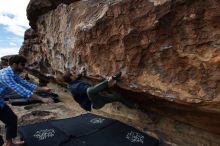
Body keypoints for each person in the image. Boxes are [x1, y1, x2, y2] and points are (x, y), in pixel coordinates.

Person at [0, 55, 53, 146]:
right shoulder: (6, 75)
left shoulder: (13, 73)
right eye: (22, 64)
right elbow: (21, 90)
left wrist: (43, 89)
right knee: (10, 120)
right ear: (14, 64)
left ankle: (10, 143)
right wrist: (41, 99)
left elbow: (25, 83)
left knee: (11, 119)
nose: (24, 66)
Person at [62, 67, 132, 111]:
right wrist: (107, 85)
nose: (74, 74)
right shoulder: (75, 87)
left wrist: (80, 73)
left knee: (118, 97)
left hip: (98, 98)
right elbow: (92, 90)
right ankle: (111, 79)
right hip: (95, 104)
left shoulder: (71, 83)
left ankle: (133, 106)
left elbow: (76, 78)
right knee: (90, 91)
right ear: (71, 77)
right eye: (72, 74)